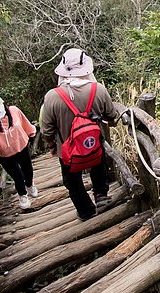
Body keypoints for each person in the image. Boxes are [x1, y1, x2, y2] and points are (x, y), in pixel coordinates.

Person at [41, 47, 116, 220]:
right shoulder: (98, 90)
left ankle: (85, 210)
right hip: (94, 143)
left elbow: (47, 130)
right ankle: (101, 195)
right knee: (99, 166)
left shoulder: (52, 96)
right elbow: (112, 116)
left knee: (72, 181)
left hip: (66, 150)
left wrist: (52, 145)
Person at [0, 94, 38, 209]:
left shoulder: (14, 111)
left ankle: (30, 185)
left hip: (21, 146)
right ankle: (22, 195)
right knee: (17, 176)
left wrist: (31, 131)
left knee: (28, 171)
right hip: (5, 155)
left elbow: (24, 122)